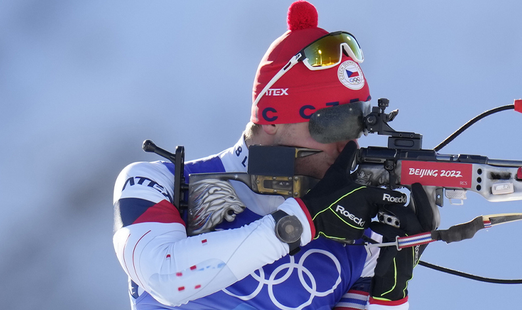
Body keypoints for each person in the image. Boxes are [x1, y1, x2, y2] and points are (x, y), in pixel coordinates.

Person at [112, 1, 433, 309]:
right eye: (333, 126)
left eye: (358, 128)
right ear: (272, 120)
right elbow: (165, 277)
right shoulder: (160, 182)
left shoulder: (355, 237)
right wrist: (302, 222)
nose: (348, 147)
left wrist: (390, 299)